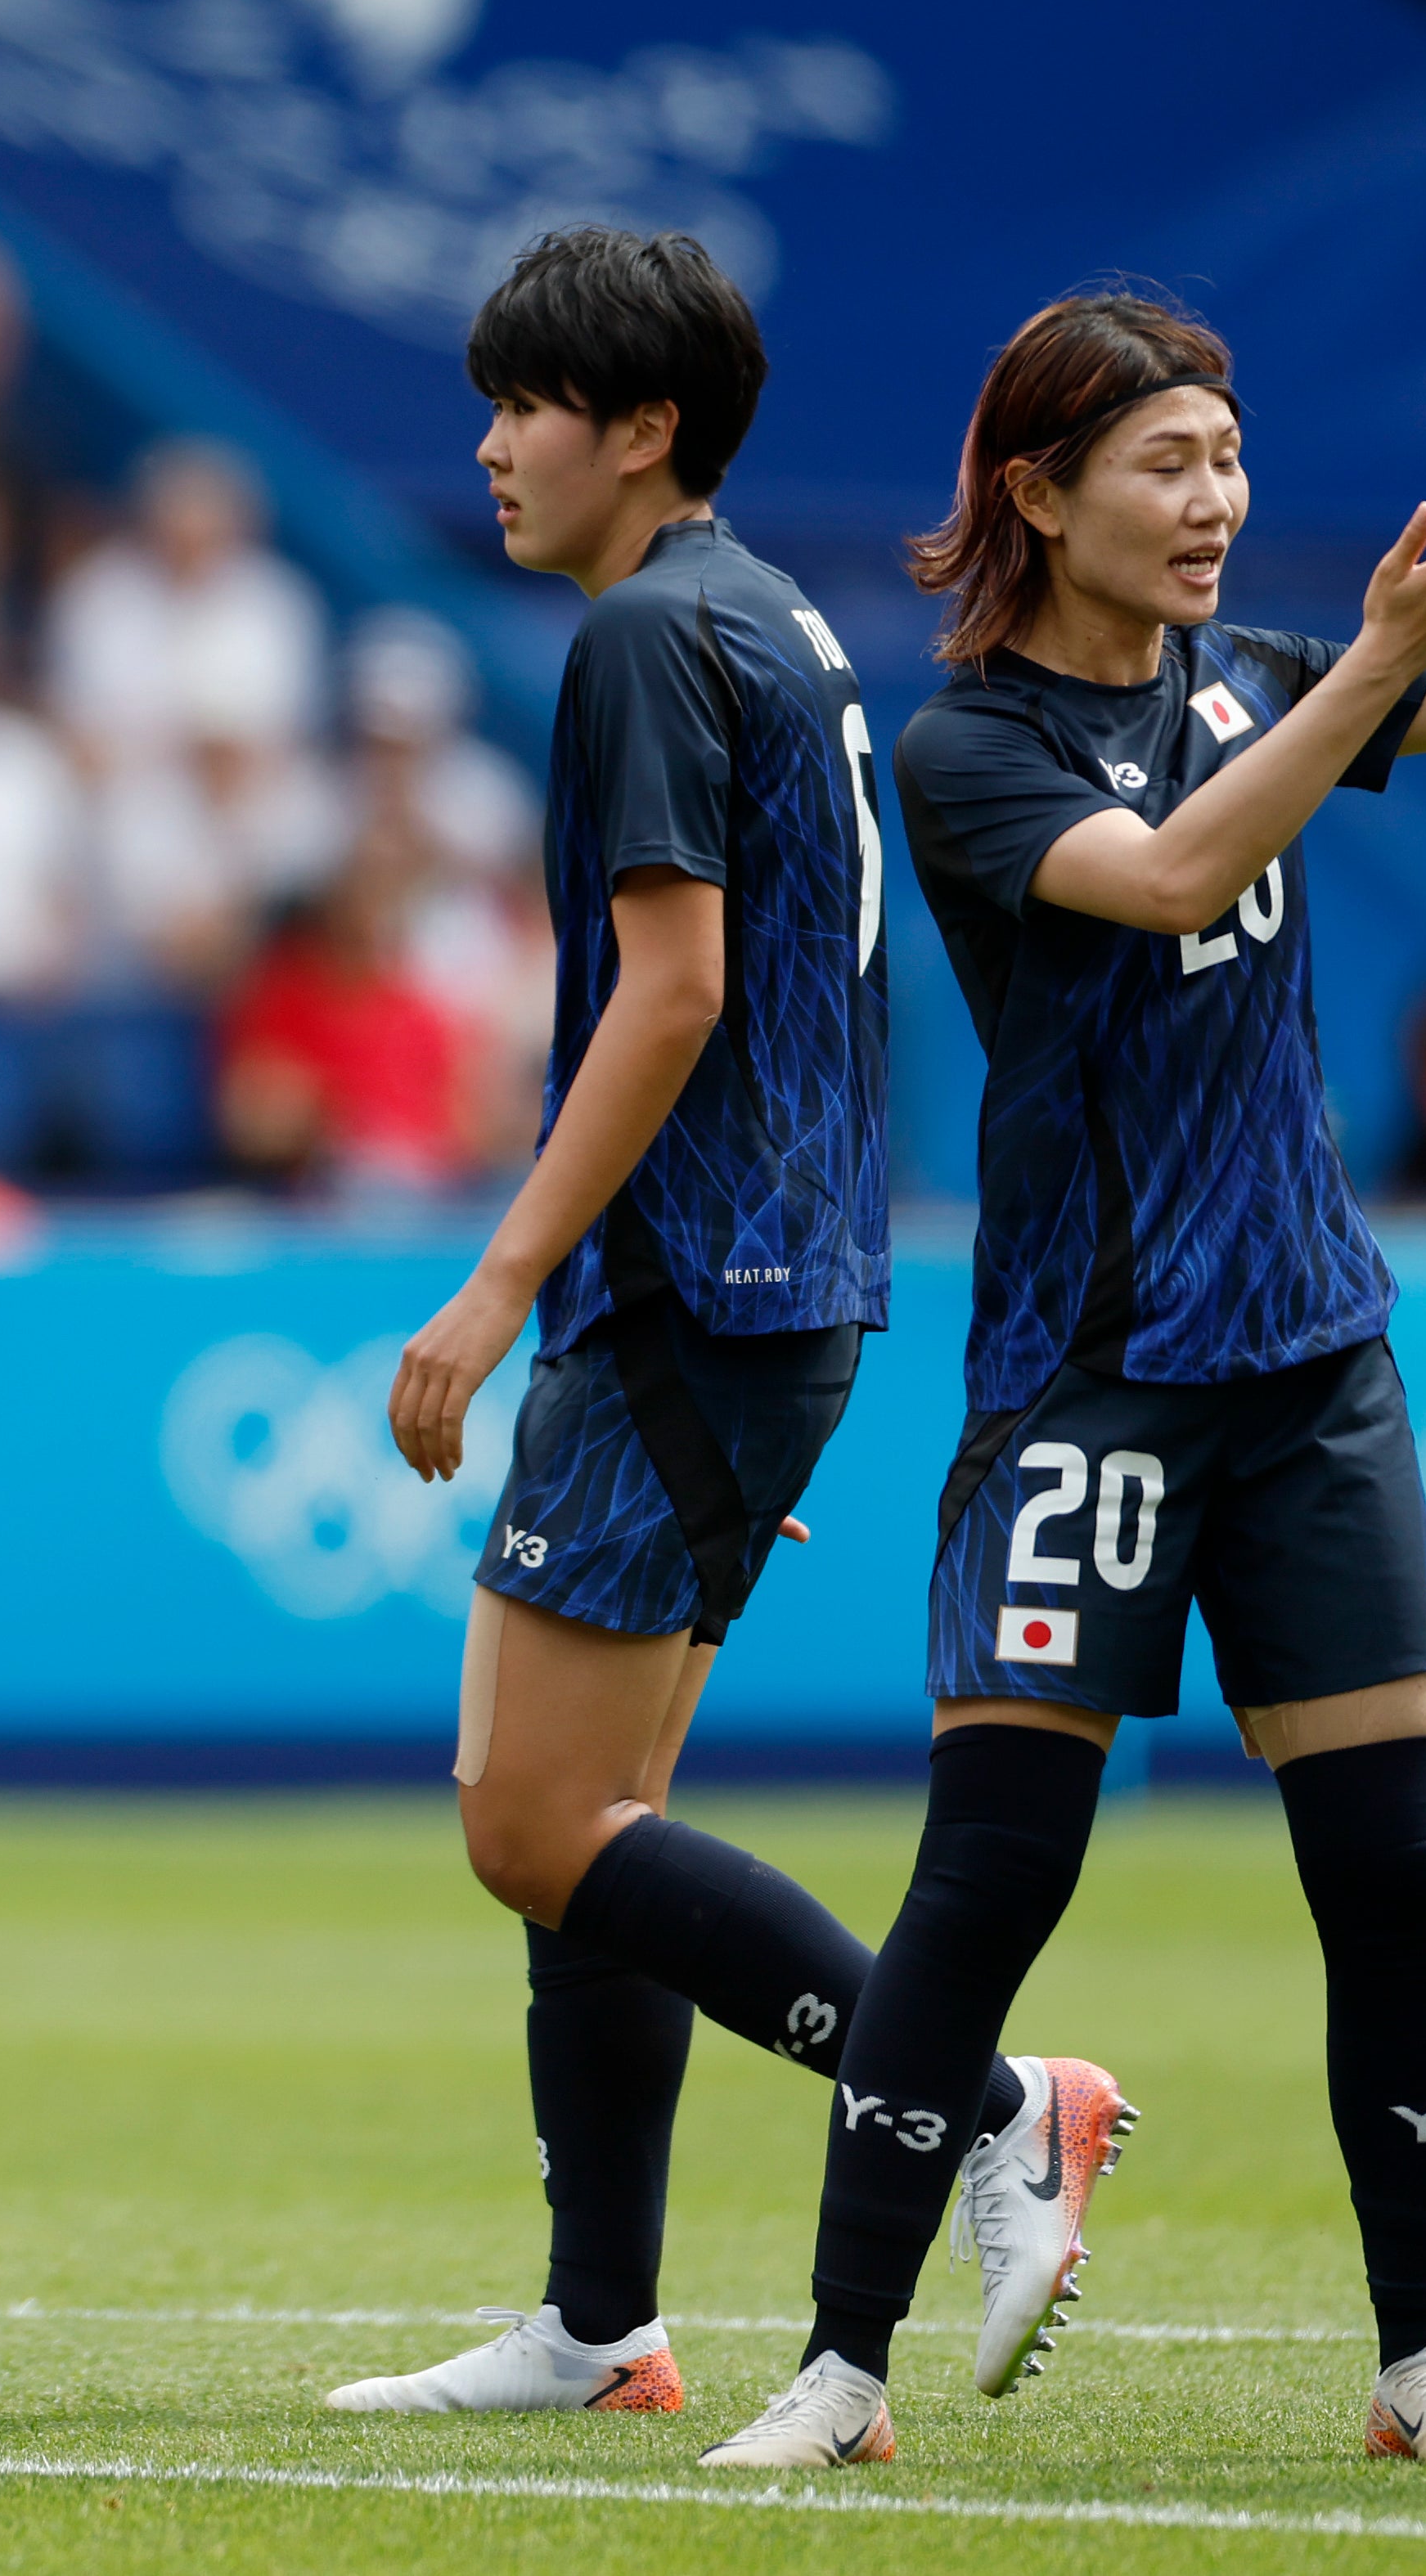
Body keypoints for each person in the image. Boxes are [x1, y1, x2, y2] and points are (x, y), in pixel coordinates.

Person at [697, 290, 1426, 2472]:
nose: (1215, 501)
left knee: (1391, 1878)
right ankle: (841, 2368)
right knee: (993, 1872)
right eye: (1169, 465)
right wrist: (1361, 660)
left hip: (1313, 1375)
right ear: (1039, 494)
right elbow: (1171, 875)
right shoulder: (970, 749)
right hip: (1093, 1387)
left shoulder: (1257, 682)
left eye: (1228, 462)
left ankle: (1422, 2361)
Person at [349, 227, 1105, 2424]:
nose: (490, 448)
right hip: (779, 1282)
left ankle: (975, 2104)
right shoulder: (767, 610)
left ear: (643, 429)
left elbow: (671, 987)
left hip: (695, 1288)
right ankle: (605, 2321)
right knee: (604, 1812)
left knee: (528, 1819)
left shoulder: (648, 638)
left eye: (524, 407)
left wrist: (500, 1281)